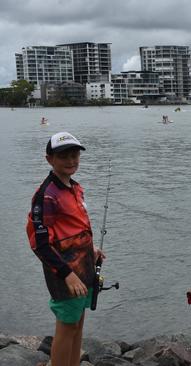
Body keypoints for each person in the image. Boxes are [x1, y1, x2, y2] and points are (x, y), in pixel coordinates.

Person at [26, 132, 104, 366]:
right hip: (64, 272)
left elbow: (74, 227)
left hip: (84, 266)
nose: (71, 161)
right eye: (63, 156)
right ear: (49, 159)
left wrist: (91, 249)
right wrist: (67, 275)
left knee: (78, 322)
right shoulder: (46, 195)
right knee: (66, 325)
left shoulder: (74, 187)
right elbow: (40, 244)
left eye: (74, 155)